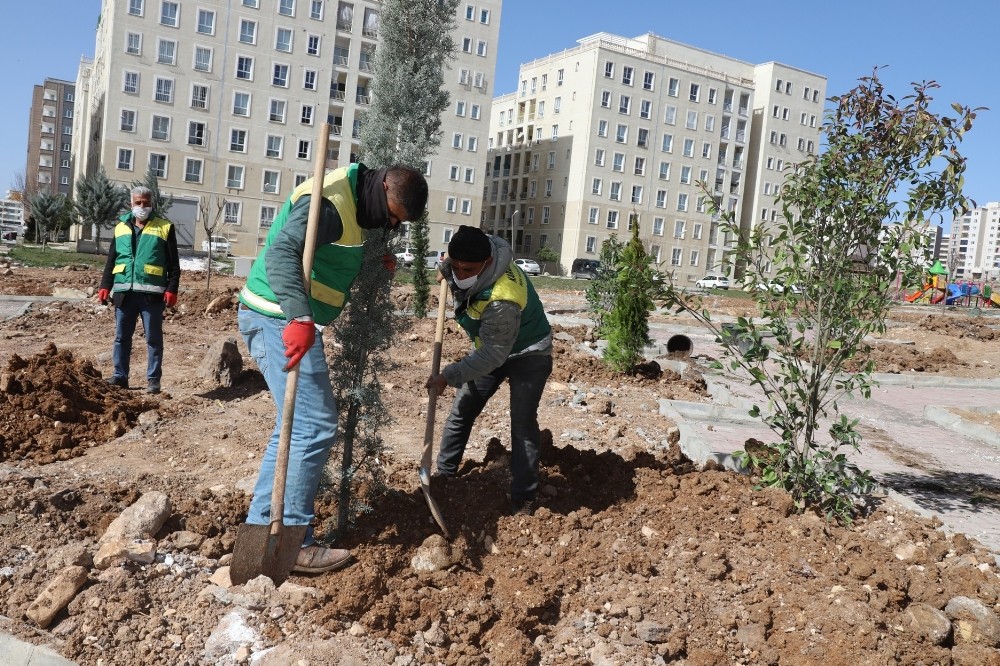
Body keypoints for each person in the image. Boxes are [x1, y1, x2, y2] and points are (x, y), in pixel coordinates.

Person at [238, 162, 427, 574]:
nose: (389, 224)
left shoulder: (358, 200)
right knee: (314, 423)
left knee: (296, 424)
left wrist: (377, 260)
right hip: (277, 317)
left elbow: (336, 249)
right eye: (391, 215)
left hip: (285, 318)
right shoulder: (327, 203)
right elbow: (284, 251)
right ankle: (293, 544)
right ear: (383, 189)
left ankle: (261, 536)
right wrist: (299, 317)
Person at [426, 225, 553, 516]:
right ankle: (444, 476)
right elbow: (455, 261)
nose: (460, 273)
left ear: (485, 263)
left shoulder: (502, 299)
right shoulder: (480, 251)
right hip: (493, 346)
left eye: (467, 269)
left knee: (521, 422)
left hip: (529, 353)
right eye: (455, 266)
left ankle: (524, 497)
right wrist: (448, 270)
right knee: (463, 408)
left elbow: (494, 354)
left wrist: (450, 375)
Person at [98, 185, 180, 395]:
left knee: (153, 339)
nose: (142, 207)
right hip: (124, 293)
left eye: (146, 203)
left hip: (151, 295)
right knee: (121, 337)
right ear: (131, 204)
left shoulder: (165, 227)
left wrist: (172, 288)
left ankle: (153, 380)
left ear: (152, 204)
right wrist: (105, 285)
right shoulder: (121, 227)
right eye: (138, 203)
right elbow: (111, 260)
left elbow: (173, 264)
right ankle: (119, 376)